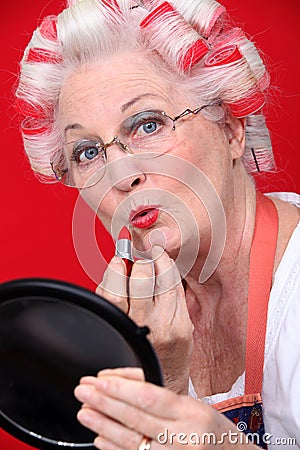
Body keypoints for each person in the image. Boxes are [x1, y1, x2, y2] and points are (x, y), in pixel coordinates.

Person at [15, 0, 300, 449]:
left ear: (230, 127)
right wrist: (149, 371)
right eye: (87, 152)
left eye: (148, 124)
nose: (122, 175)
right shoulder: (131, 323)